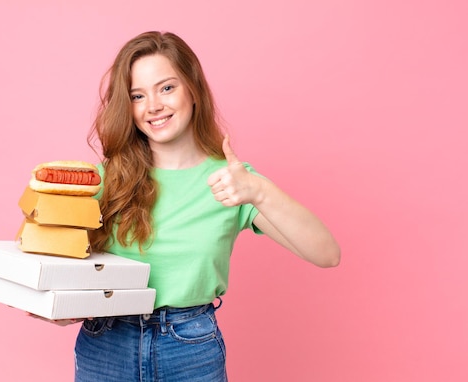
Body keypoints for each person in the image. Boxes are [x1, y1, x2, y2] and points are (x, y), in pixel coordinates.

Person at [31, 30, 341, 381]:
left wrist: (259, 191)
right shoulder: (105, 180)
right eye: (137, 95)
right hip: (106, 344)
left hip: (189, 347)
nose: (153, 106)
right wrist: (54, 304)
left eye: (166, 87)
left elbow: (326, 254)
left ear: (193, 89)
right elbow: (53, 257)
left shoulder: (233, 182)